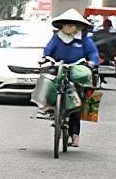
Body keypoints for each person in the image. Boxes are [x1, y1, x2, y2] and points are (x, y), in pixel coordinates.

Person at [40, 8, 99, 148]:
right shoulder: (57, 37)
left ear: (78, 26)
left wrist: (92, 62)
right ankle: (47, 107)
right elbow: (48, 49)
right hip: (59, 66)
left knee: (79, 100)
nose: (69, 27)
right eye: (67, 24)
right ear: (62, 26)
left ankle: (75, 135)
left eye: (73, 24)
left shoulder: (84, 38)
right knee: (46, 80)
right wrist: (44, 58)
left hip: (77, 67)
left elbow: (92, 53)